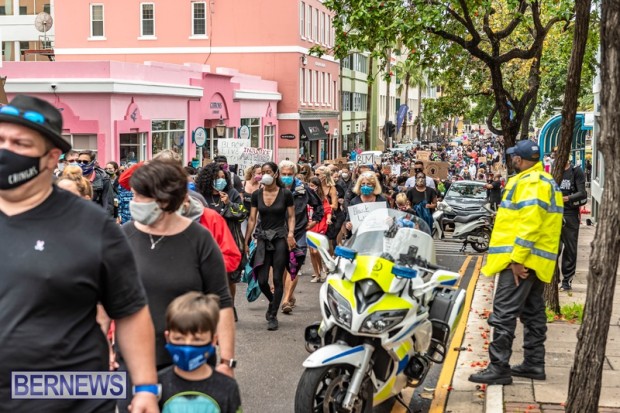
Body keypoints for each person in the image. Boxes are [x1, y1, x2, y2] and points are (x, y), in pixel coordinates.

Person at [0, 95, 158, 413]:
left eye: (20, 143)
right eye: (1, 140)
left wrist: (145, 388)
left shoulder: (93, 225)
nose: (5, 150)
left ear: (51, 158)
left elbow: (130, 310)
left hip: (72, 394)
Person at [121, 160, 235, 394]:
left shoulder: (200, 239)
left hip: (191, 360)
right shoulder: (123, 236)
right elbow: (105, 301)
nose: (133, 202)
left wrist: (226, 361)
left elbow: (222, 302)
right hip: (130, 360)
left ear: (163, 199)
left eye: (140, 196)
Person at [469, 140, 563, 386]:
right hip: (535, 260)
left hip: (521, 262)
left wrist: (517, 260)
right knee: (532, 312)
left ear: (519, 159)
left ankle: (498, 367)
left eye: (514, 157)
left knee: (503, 313)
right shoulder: (543, 180)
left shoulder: (531, 182)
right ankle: (534, 363)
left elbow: (530, 225)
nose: (512, 159)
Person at [159, 292, 242, 413]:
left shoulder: (227, 387)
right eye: (179, 338)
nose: (187, 347)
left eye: (197, 339)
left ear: (213, 340)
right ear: (168, 337)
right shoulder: (157, 384)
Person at [244, 162, 296, 330]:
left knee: (277, 278)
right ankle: (273, 302)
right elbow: (252, 219)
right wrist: (246, 240)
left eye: (268, 171)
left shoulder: (286, 194)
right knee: (262, 280)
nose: (265, 174)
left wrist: (290, 234)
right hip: (263, 238)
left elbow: (291, 216)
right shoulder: (256, 195)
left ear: (275, 174)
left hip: (280, 238)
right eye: (263, 172)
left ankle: (272, 315)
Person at [196, 163, 248, 312]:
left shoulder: (232, 193)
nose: (221, 180)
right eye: (217, 177)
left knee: (229, 278)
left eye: (223, 177)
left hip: (227, 240)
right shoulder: (200, 196)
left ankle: (230, 306)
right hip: (207, 241)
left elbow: (242, 214)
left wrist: (229, 203)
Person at [279, 160, 324, 313]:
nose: (286, 177)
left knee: (294, 265)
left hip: (299, 231)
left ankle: (285, 300)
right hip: (280, 232)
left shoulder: (303, 189)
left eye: (289, 174)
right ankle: (289, 295)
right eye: (284, 174)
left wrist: (314, 221)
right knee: (282, 266)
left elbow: (318, 205)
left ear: (294, 174)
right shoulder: (274, 189)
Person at [558, 160, 587, 291]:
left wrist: (567, 198)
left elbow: (582, 193)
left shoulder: (576, 171)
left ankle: (566, 281)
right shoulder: (552, 171)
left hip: (570, 213)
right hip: (554, 212)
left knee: (570, 248)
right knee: (553, 248)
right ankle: (553, 279)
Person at [307, 176, 333, 283]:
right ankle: (317, 274)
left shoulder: (322, 198)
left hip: (319, 224)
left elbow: (328, 211)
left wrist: (328, 219)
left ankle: (322, 269)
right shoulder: (305, 197)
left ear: (318, 187)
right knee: (312, 252)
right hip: (308, 225)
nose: (311, 187)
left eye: (313, 186)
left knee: (315, 250)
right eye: (309, 185)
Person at [77, 150, 115, 217]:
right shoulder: (73, 178)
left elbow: (108, 204)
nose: (82, 164)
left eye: (85, 162)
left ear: (93, 162)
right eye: (79, 161)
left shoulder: (104, 179)